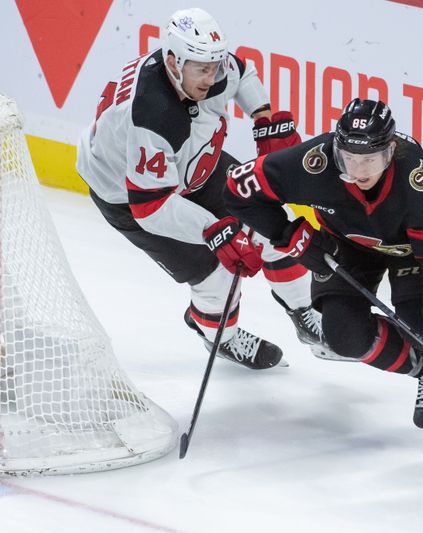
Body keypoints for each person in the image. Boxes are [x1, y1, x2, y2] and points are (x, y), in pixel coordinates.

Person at [223, 98, 423, 452]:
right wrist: (290, 236)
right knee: (343, 335)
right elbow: (237, 189)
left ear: (390, 152)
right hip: (346, 247)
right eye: (349, 158)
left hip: (412, 254)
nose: (358, 170)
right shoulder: (314, 163)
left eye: (370, 160)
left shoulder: (419, 182)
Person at [76, 8, 322, 370]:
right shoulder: (154, 114)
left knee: (271, 223)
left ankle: (305, 312)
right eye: (202, 69)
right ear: (174, 62)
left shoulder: (204, 66)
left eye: (215, 66)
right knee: (216, 274)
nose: (211, 77)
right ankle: (219, 337)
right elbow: (152, 207)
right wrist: (215, 231)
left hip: (195, 166)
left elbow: (244, 73)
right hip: (132, 198)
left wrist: (264, 118)